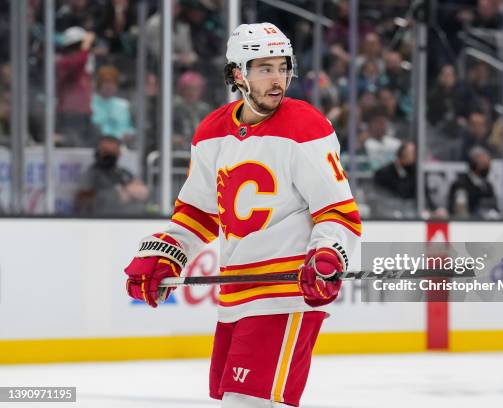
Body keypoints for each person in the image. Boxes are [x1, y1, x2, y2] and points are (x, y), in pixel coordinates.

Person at [123, 23, 361, 407]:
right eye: (264, 68)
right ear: (238, 73)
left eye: (282, 67)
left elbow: (337, 211)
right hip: (235, 295)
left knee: (246, 402)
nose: (277, 79)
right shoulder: (212, 132)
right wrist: (164, 253)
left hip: (284, 294)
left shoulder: (305, 127)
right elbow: (199, 212)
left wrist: (328, 254)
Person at [75, 136, 149, 215]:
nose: (109, 155)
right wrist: (117, 194)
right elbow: (84, 203)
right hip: (105, 220)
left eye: (113, 151)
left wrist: (125, 191)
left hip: (134, 220)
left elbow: (143, 192)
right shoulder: (91, 175)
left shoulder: (124, 173)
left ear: (119, 153)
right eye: (105, 151)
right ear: (97, 152)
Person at [447, 146, 498, 219]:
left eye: (488, 164)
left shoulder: (488, 186)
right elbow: (459, 212)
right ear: (474, 163)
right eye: (483, 164)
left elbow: (495, 208)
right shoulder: (460, 184)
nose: (487, 167)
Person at [91, 65, 135, 145]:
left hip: (122, 148)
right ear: (99, 84)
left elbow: (130, 127)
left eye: (112, 83)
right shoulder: (90, 104)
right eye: (106, 83)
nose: (109, 86)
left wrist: (130, 133)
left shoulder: (124, 105)